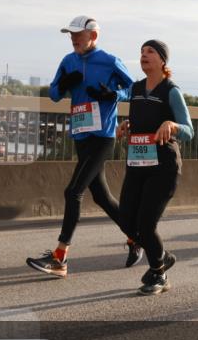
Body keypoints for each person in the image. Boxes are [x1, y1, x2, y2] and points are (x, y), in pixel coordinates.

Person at [27, 16, 134, 278]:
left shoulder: (109, 61)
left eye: (78, 34)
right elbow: (54, 94)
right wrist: (63, 85)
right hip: (81, 135)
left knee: (73, 191)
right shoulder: (68, 61)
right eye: (71, 35)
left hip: (103, 136)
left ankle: (60, 256)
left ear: (93, 36)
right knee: (101, 197)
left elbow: (132, 88)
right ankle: (137, 237)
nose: (73, 39)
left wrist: (113, 94)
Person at [115, 40, 194, 294]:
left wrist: (172, 125)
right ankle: (162, 256)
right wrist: (127, 125)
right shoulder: (136, 88)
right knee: (126, 220)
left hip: (163, 167)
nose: (144, 55)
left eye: (150, 51)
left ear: (162, 60)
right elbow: (141, 118)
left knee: (146, 223)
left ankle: (159, 273)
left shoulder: (171, 91)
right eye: (141, 52)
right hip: (137, 164)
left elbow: (189, 131)